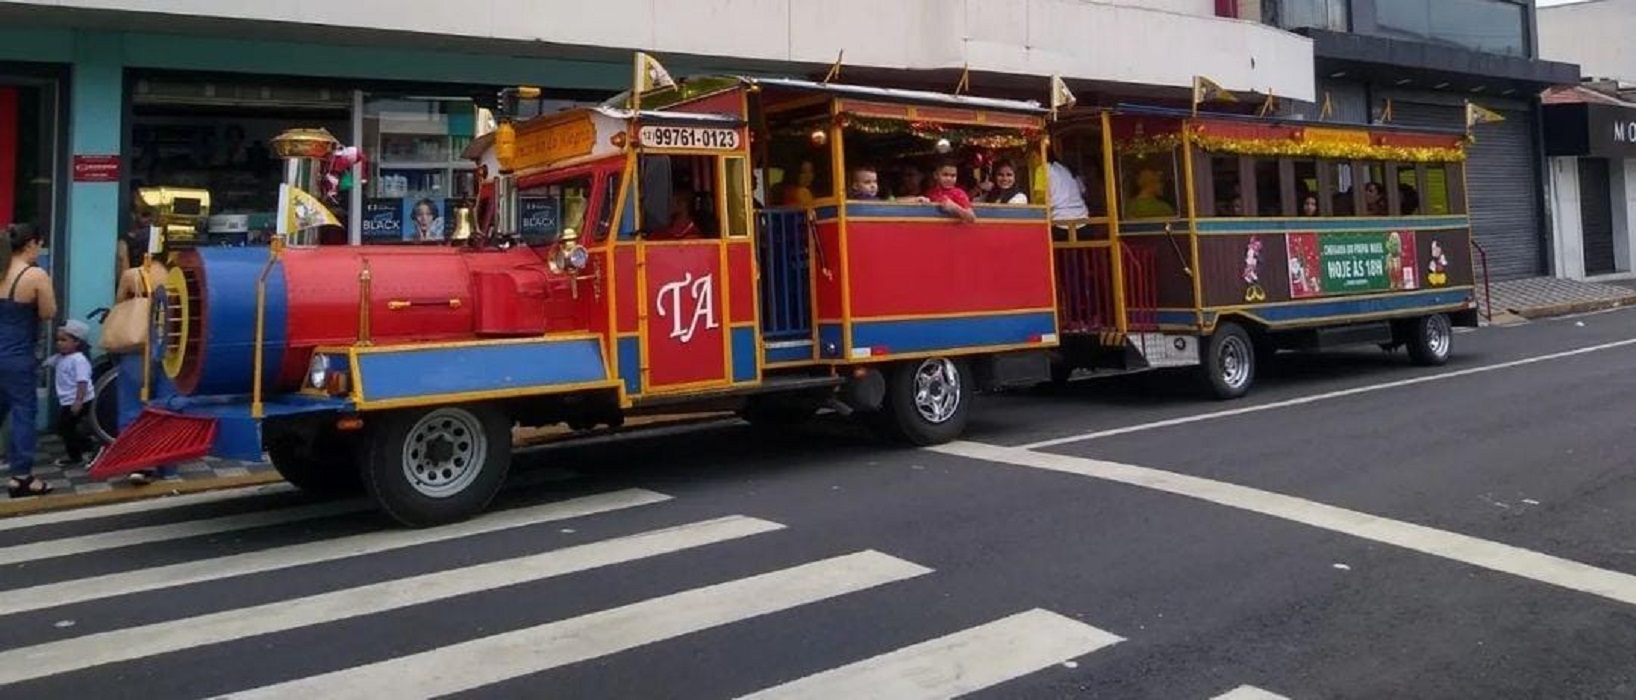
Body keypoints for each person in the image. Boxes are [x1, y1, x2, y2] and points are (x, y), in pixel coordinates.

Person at [113, 245, 179, 484]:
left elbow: (120, 304)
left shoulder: (133, 275)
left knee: (132, 406)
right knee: (166, 406)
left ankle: (138, 463)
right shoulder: (176, 273)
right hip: (170, 346)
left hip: (139, 347)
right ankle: (166, 463)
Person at [2, 224, 57, 498]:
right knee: (23, 412)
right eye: (39, 245)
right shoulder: (34, 274)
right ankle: (22, 477)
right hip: (17, 356)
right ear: (31, 244)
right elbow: (49, 312)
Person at [46, 319, 96, 467]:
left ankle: (80, 454)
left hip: (79, 400)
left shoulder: (78, 360)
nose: (59, 343)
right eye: (58, 340)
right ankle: (86, 447)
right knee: (66, 428)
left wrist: (78, 401)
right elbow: (49, 362)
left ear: (77, 342)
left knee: (65, 429)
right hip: (68, 400)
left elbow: (82, 382)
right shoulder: (62, 357)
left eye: (64, 340)